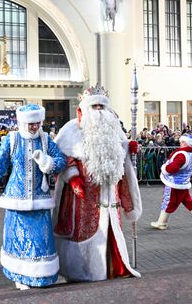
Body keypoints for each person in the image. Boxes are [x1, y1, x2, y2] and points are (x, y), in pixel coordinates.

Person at [0, 104, 66, 290]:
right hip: (16, 199)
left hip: (39, 199)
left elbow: (61, 161)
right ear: (22, 122)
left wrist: (47, 162)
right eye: (31, 124)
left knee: (41, 241)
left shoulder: (46, 140)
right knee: (19, 241)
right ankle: (21, 276)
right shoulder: (11, 139)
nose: (35, 127)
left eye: (38, 123)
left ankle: (41, 276)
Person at [53, 84, 142, 282]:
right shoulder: (70, 129)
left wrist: (128, 147)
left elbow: (119, 151)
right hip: (83, 194)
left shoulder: (114, 127)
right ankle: (81, 271)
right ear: (84, 108)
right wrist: (73, 177)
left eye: (102, 107)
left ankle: (114, 267)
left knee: (110, 228)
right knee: (84, 231)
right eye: (95, 107)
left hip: (110, 193)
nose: (99, 111)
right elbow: (62, 157)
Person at [150, 134, 192, 233]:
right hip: (184, 183)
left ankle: (162, 222)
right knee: (189, 202)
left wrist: (164, 168)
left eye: (183, 142)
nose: (180, 143)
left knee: (168, 202)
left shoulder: (182, 154)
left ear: (188, 143)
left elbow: (172, 168)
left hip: (175, 183)